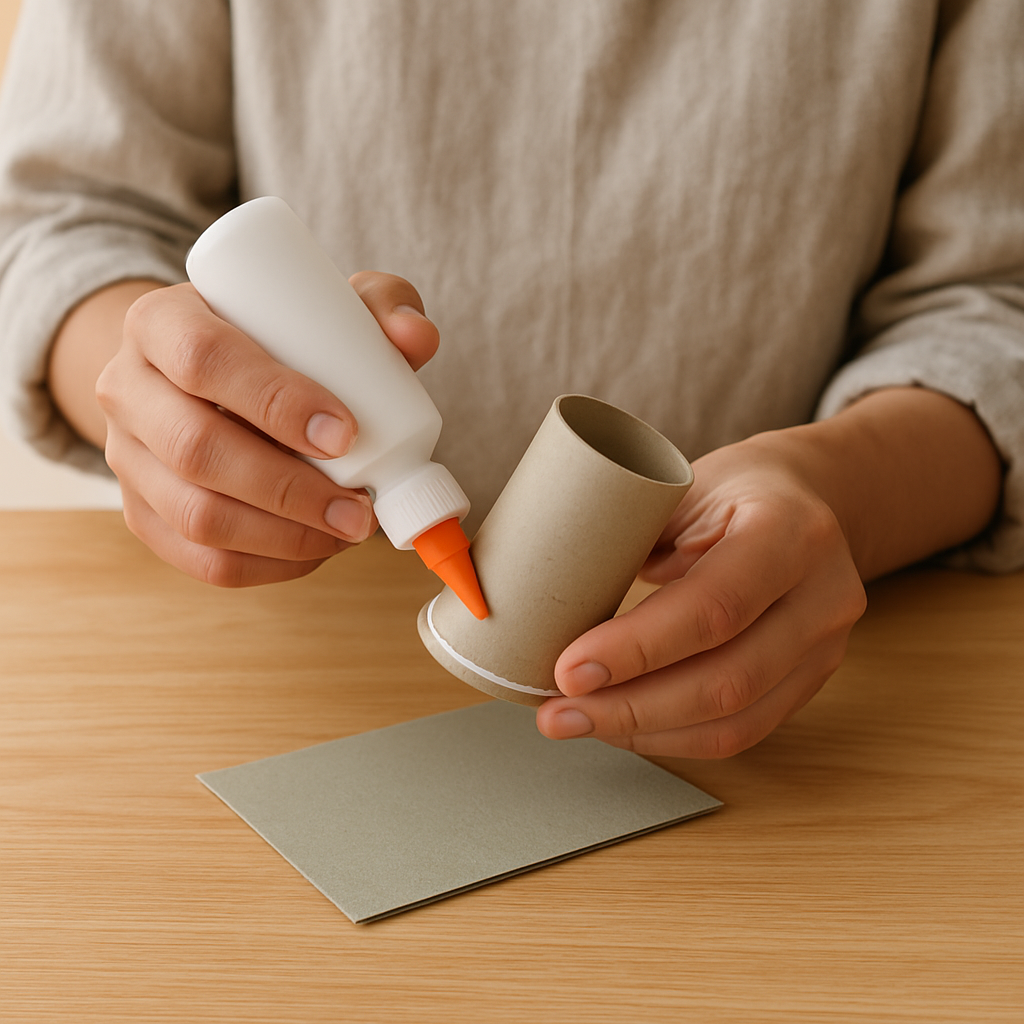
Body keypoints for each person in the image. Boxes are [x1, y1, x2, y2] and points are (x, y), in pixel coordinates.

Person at [0, 1, 1020, 759]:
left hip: (805, 675)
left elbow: (994, 297)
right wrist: (167, 402)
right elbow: (63, 219)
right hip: (303, 662)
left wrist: (843, 486)